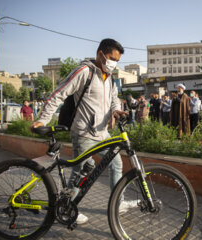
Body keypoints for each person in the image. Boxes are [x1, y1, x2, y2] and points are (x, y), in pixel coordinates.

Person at [30, 39, 131, 225]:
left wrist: (117, 110)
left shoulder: (110, 78)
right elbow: (58, 93)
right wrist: (42, 119)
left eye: (117, 60)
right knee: (81, 172)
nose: (113, 63)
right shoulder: (84, 71)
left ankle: (119, 202)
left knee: (116, 163)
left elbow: (114, 100)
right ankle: (66, 208)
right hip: (84, 132)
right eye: (111, 58)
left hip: (102, 133)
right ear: (100, 54)